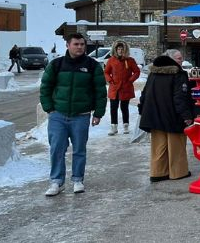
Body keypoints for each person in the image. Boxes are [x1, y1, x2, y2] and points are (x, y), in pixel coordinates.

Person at [39, 33, 107, 196]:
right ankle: (56, 182)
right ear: (68, 45)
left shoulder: (92, 65)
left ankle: (77, 179)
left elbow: (100, 91)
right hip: (58, 115)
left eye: (82, 44)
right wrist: (49, 108)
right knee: (57, 149)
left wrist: (98, 113)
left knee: (79, 150)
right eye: (76, 44)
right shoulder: (56, 64)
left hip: (81, 115)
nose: (80, 47)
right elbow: (45, 87)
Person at [138, 49, 194, 182]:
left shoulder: (153, 73)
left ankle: (158, 172)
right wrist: (187, 116)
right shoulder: (178, 74)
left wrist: (142, 109)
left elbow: (144, 94)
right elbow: (180, 97)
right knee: (177, 146)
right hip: (172, 116)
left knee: (158, 147)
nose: (182, 61)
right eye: (179, 58)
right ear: (171, 59)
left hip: (154, 115)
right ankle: (178, 172)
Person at [104, 40, 141, 136]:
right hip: (114, 87)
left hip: (126, 87)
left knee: (124, 107)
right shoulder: (111, 60)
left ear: (125, 50)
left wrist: (130, 80)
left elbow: (137, 71)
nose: (120, 51)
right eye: (118, 49)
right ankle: (114, 127)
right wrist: (110, 80)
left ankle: (126, 126)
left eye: (121, 49)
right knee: (113, 108)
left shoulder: (130, 60)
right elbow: (106, 72)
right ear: (115, 50)